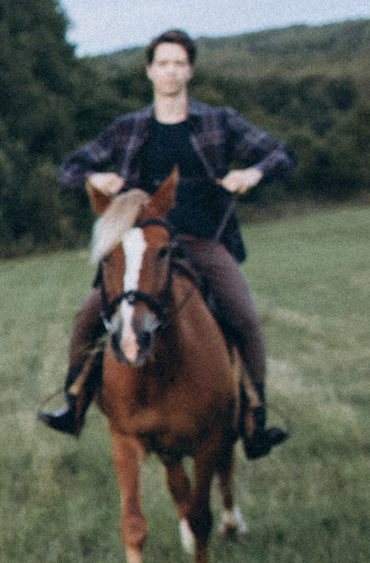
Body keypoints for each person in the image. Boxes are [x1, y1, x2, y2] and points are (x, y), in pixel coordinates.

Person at [45, 29, 295, 457]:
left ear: (190, 70)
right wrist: (95, 177)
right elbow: (70, 168)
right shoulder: (128, 128)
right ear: (149, 71)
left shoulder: (219, 121)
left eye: (179, 63)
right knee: (88, 316)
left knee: (244, 318)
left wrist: (251, 173)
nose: (171, 71)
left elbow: (281, 154)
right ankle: (74, 403)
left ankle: (255, 419)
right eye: (163, 63)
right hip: (141, 250)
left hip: (204, 242)